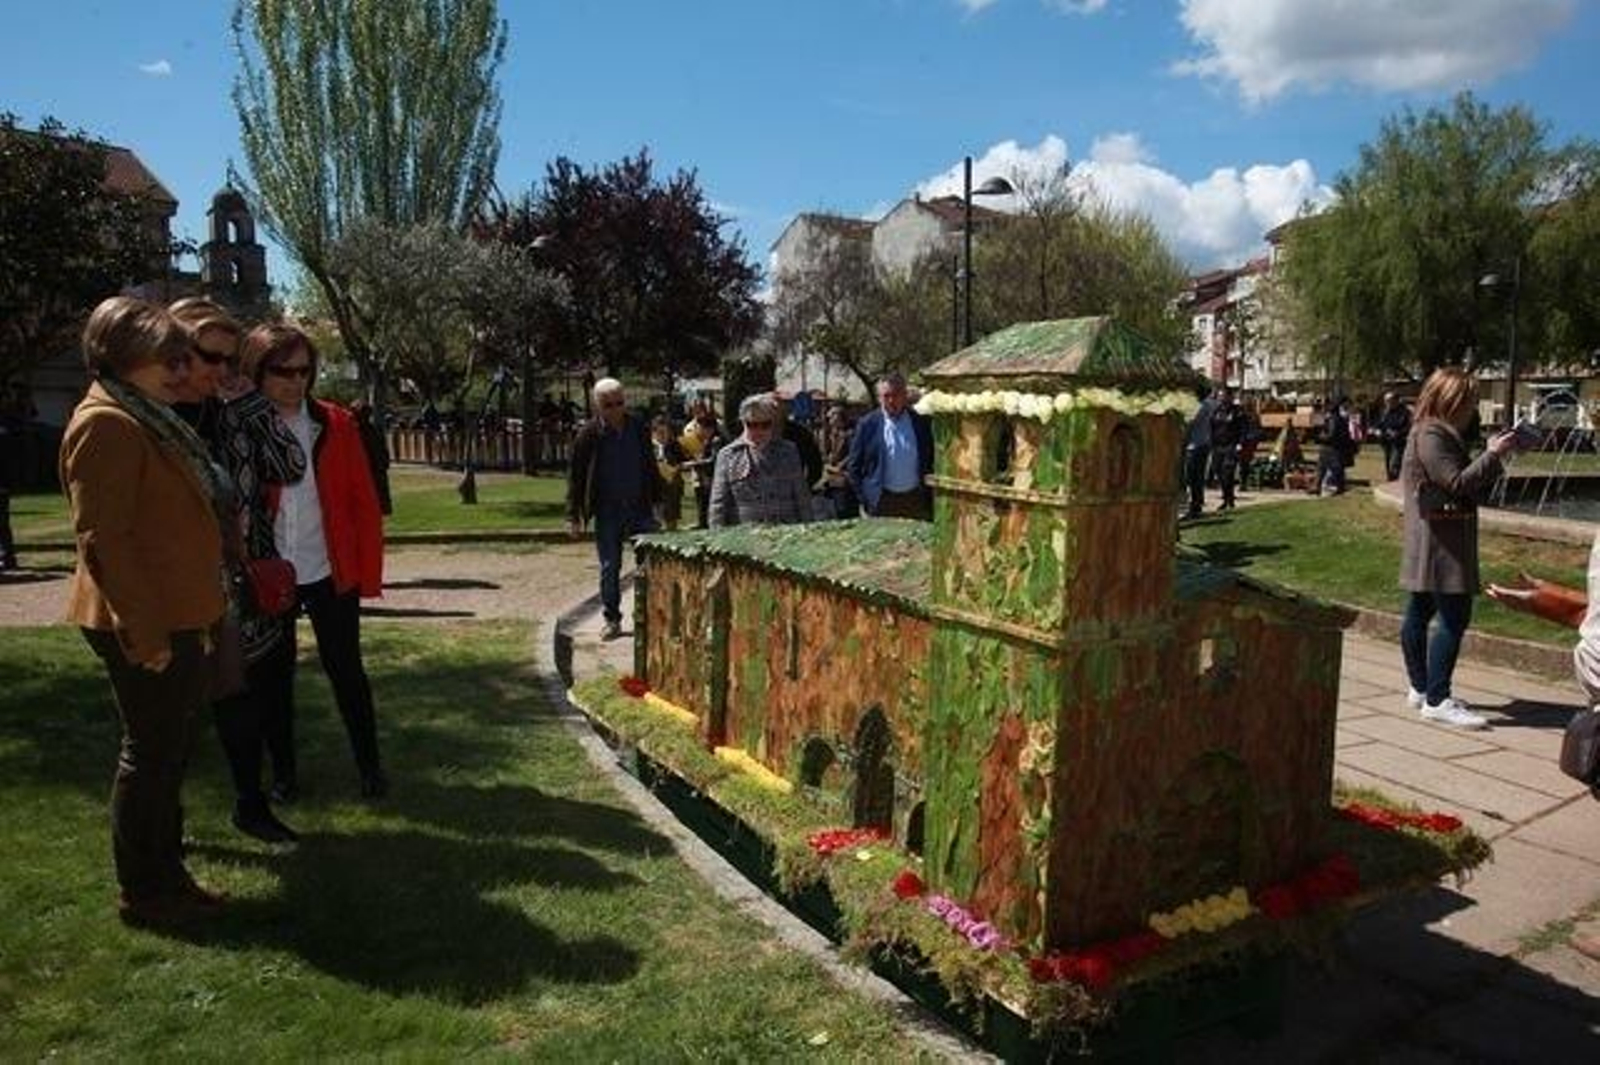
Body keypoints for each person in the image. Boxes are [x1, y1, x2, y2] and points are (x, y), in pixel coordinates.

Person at [61, 296, 229, 926]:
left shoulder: (143, 415)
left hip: (178, 610)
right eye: (169, 359)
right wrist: (147, 634)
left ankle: (166, 875)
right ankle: (147, 891)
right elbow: (104, 540)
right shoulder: (106, 423)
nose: (182, 371)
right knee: (151, 754)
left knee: (168, 751)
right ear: (125, 358)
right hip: (147, 620)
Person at [169, 297, 307, 844]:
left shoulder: (233, 411)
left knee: (242, 701)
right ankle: (164, 824)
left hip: (243, 584)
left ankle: (251, 803)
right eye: (212, 357)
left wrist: (252, 404)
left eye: (231, 360)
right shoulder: (154, 417)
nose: (223, 371)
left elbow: (291, 466)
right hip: (182, 582)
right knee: (175, 711)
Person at [242, 324, 389, 800]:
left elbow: (362, 503)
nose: (295, 381)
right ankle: (284, 775)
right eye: (282, 371)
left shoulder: (337, 423)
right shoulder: (241, 424)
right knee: (272, 678)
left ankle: (370, 767)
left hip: (328, 570)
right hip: (269, 574)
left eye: (304, 370)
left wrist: (366, 573)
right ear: (258, 371)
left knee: (347, 670)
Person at [1399, 367, 1527, 730]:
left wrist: (1493, 456)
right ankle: (1437, 699)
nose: (1472, 407)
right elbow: (1456, 482)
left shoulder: (1428, 430)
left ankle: (1421, 688)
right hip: (1443, 542)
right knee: (1453, 618)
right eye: (1469, 400)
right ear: (1452, 400)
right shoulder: (1433, 433)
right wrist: (1493, 454)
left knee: (1419, 611)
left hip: (1432, 537)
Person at [567, 378, 658, 640]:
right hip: (607, 510)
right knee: (610, 567)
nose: (615, 409)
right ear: (598, 405)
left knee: (650, 562)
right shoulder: (589, 433)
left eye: (619, 403)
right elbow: (576, 476)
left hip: (639, 506)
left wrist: (659, 500)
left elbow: (649, 464)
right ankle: (612, 618)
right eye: (608, 405)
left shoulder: (638, 427)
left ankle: (648, 616)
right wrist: (573, 515)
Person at [708, 394, 812, 528]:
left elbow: (802, 498)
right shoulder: (728, 455)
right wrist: (719, 540)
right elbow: (718, 506)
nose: (759, 430)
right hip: (746, 537)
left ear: (773, 424)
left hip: (786, 535)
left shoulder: (788, 451)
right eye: (752, 425)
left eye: (765, 425)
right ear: (743, 422)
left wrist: (808, 530)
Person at [848, 372, 934, 520]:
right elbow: (854, 466)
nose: (891, 400)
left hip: (915, 500)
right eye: (886, 396)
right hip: (881, 502)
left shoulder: (921, 423)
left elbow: (931, 457)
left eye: (896, 395)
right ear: (879, 397)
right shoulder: (867, 425)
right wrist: (865, 499)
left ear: (905, 395)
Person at [349, 399, 393, 516]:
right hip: (367, 476)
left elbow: (383, 455)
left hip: (372, 475)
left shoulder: (366, 431)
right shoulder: (356, 432)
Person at [1181, 384, 1217, 519]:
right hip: (1205, 443)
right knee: (1199, 476)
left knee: (1191, 477)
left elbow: (1188, 426)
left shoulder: (1196, 407)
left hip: (1193, 445)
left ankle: (1194, 505)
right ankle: (1198, 502)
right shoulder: (1209, 405)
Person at [820, 405, 859, 519]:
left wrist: (840, 466)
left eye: (832, 415)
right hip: (831, 478)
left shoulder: (850, 433)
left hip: (844, 478)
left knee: (845, 510)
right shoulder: (830, 434)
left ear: (839, 417)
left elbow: (853, 454)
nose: (829, 418)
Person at [1208, 387, 1244, 510]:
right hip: (1217, 446)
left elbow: (1242, 428)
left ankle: (1228, 500)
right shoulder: (1216, 411)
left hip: (1231, 445)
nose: (1221, 398)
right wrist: (1211, 443)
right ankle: (1228, 496)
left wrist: (1239, 443)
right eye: (1219, 396)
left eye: (1223, 396)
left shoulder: (1237, 411)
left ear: (1230, 397)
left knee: (1228, 473)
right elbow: (1212, 427)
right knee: (1219, 472)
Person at [650, 414, 687, 531]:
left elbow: (683, 461)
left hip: (672, 487)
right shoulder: (647, 446)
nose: (664, 435)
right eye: (660, 432)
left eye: (666, 432)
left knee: (671, 519)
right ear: (654, 432)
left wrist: (676, 468)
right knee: (655, 519)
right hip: (654, 488)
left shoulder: (675, 445)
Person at [1316, 397, 1354, 496]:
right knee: (1333, 469)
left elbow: (1331, 435)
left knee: (1331, 468)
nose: (1323, 408)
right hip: (1337, 447)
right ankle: (1321, 486)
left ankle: (1321, 487)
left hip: (1333, 448)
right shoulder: (1337, 418)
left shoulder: (1334, 419)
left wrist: (1320, 437)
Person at [1375, 391, 1412, 483]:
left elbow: (1409, 427)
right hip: (1386, 441)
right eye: (1385, 401)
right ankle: (1391, 480)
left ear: (1396, 400)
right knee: (1388, 463)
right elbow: (1379, 424)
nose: (1387, 403)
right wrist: (1377, 430)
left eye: (1389, 400)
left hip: (1398, 442)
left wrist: (1398, 433)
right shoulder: (1385, 412)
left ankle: (1395, 481)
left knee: (1395, 464)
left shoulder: (1405, 412)